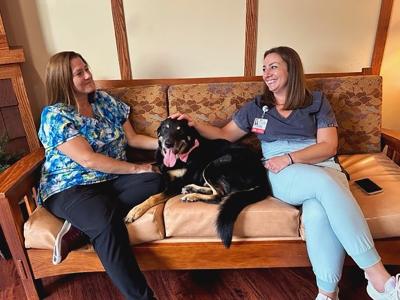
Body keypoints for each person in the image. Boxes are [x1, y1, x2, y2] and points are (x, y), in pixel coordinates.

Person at [172, 46, 400, 300]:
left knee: (316, 212)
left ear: (291, 69)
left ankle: (327, 294)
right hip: (283, 171)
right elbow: (225, 134)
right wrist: (193, 123)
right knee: (325, 185)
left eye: (273, 66)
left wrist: (292, 157)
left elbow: (329, 146)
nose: (266, 73)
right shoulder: (257, 107)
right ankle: (378, 278)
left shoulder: (316, 101)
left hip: (322, 164)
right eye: (264, 68)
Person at [38, 51, 163, 300]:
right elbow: (88, 159)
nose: (88, 75)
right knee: (107, 222)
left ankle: (80, 228)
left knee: (158, 179)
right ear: (63, 80)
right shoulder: (55, 115)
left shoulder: (104, 101)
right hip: (71, 187)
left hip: (110, 180)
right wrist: (138, 168)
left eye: (87, 68)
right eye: (79, 73)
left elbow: (133, 139)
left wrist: (169, 144)